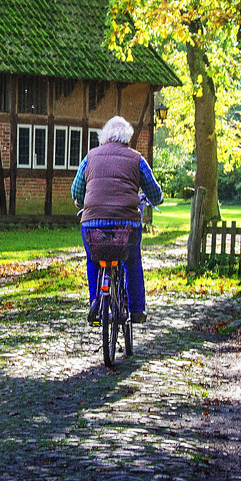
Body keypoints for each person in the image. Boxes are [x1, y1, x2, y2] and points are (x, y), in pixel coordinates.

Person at [71, 115, 163, 324]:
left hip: (92, 224)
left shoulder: (90, 157)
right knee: (132, 260)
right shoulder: (136, 158)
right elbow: (154, 192)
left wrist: (79, 201)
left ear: (104, 136)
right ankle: (137, 310)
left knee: (93, 257)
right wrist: (158, 199)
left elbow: (77, 189)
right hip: (126, 225)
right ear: (127, 137)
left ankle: (95, 301)